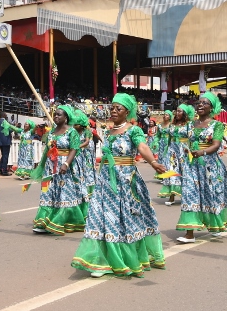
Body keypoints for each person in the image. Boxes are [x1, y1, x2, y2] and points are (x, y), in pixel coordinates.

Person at [72, 93, 168, 277]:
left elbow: (142, 147)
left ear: (127, 111)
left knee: (124, 219)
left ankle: (124, 257)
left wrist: (154, 163)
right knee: (102, 218)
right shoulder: (108, 132)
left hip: (126, 181)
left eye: (119, 108)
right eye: (112, 107)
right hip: (106, 180)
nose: (114, 111)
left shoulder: (134, 130)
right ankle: (102, 260)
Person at [175, 92, 227, 243]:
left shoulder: (217, 125)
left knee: (211, 195)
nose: (200, 105)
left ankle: (214, 225)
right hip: (191, 165)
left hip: (209, 165)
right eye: (198, 103)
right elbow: (178, 137)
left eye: (204, 103)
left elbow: (216, 145)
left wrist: (202, 152)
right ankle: (189, 233)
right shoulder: (190, 124)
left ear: (212, 107)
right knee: (189, 195)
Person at [32, 105, 89, 235]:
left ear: (66, 118)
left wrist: (66, 164)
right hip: (50, 166)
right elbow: (47, 148)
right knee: (48, 193)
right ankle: (44, 220)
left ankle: (61, 220)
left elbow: (74, 149)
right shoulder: (52, 132)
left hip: (65, 167)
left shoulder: (72, 132)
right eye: (55, 115)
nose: (56, 117)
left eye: (59, 115)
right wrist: (42, 164)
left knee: (64, 193)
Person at [158, 104, 193, 205]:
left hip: (183, 151)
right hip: (172, 151)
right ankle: (171, 197)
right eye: (176, 111)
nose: (177, 113)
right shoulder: (172, 125)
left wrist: (190, 150)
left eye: (180, 111)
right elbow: (169, 138)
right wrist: (166, 151)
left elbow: (192, 139)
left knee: (184, 172)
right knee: (172, 171)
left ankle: (186, 196)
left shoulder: (188, 125)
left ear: (184, 113)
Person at [0, 111, 13, 176]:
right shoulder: (6, 122)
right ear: (4, 115)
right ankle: (4, 170)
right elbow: (10, 130)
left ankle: (1, 168)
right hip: (6, 141)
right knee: (5, 156)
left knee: (3, 155)